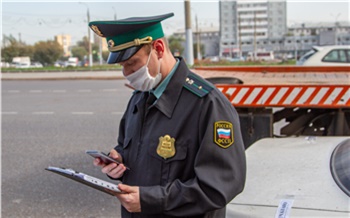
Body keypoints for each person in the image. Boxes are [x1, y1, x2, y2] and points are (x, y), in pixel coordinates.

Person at [89, 13, 246, 218]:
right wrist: (118, 161)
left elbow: (219, 185)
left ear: (159, 49)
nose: (127, 73)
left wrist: (148, 200)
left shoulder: (207, 104)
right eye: (122, 66)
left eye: (132, 63)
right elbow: (135, 151)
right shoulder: (140, 98)